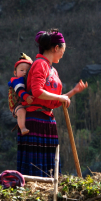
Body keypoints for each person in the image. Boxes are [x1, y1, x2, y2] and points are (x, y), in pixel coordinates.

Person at [17, 29, 87, 177]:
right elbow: (37, 92)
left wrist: (72, 93)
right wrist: (61, 98)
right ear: (56, 48)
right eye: (63, 50)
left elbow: (54, 100)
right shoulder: (40, 64)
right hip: (35, 120)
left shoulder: (52, 69)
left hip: (47, 120)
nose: (63, 54)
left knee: (48, 170)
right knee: (35, 170)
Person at [8, 53, 33, 135]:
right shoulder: (16, 80)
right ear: (15, 73)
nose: (24, 72)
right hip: (16, 104)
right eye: (22, 70)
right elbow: (20, 90)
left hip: (24, 102)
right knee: (21, 111)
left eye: (27, 70)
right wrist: (27, 97)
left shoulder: (27, 80)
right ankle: (22, 128)